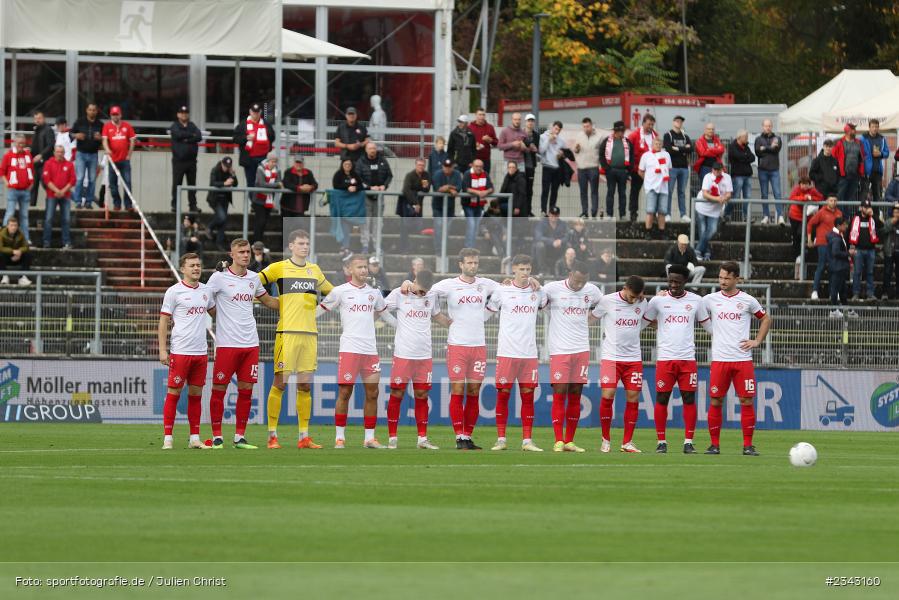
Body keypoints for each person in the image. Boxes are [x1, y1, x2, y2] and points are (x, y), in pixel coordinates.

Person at [413, 249, 500, 449]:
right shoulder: (448, 285)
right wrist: (438, 316)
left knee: (474, 391)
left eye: (475, 263)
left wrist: (487, 313)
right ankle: (459, 436)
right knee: (458, 389)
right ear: (460, 264)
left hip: (479, 346)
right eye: (469, 263)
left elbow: (505, 290)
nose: (473, 266)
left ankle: (468, 436)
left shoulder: (485, 284)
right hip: (457, 345)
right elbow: (425, 291)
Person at [258, 229, 334, 450]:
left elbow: (334, 293)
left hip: (310, 335)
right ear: (291, 246)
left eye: (307, 243)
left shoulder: (314, 270)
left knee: (305, 386)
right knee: (280, 383)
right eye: (300, 243)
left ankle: (304, 437)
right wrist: (269, 301)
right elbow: (254, 283)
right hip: (287, 334)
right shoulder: (279, 268)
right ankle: (272, 436)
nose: (305, 247)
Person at [206, 238, 280, 449]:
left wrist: (294, 302)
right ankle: (217, 436)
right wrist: (218, 316)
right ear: (232, 254)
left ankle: (240, 437)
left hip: (250, 344)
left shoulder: (254, 278)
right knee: (219, 389)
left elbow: (269, 302)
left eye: (248, 252)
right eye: (241, 252)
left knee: (246, 390)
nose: (246, 255)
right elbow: (206, 301)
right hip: (227, 344)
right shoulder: (218, 278)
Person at [317, 254, 390, 449]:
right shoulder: (340, 292)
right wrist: (300, 318)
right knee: (345, 391)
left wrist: (403, 328)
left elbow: (386, 315)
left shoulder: (374, 293)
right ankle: (339, 437)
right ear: (349, 270)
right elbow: (320, 310)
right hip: (349, 349)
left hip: (370, 350)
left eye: (365, 267)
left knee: (373, 393)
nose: (364, 270)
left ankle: (369, 438)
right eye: (359, 267)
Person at [701, 261, 772, 456]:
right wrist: (663, 296)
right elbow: (690, 307)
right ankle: (714, 445)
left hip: (742, 360)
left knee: (746, 401)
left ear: (736, 279)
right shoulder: (710, 299)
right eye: (720, 277)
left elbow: (766, 319)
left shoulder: (748, 300)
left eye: (726, 278)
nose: (722, 281)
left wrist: (757, 341)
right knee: (715, 401)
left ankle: (748, 446)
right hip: (720, 360)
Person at [644, 264, 711, 454]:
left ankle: (688, 442)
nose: (673, 284)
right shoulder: (658, 301)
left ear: (685, 282)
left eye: (677, 281)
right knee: (662, 398)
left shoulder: (696, 301)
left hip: (687, 358)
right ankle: (661, 442)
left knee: (689, 398)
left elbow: (709, 326)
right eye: (670, 281)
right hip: (665, 358)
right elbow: (644, 322)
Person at [484, 254, 547, 452]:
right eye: (522, 269)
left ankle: (527, 441)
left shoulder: (538, 292)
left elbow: (550, 300)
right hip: (507, 352)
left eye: (528, 270)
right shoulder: (502, 291)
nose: (525, 273)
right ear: (514, 270)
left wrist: (539, 284)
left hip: (529, 354)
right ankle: (501, 439)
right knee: (503, 394)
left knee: (528, 396)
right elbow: (486, 313)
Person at [382, 269, 449, 450]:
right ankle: (392, 438)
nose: (422, 295)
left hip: (424, 356)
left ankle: (422, 439)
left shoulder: (432, 296)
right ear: (414, 281)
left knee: (422, 395)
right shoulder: (399, 293)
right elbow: (381, 308)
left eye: (425, 292)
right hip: (403, 355)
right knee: (397, 394)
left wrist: (456, 326)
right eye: (419, 291)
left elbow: (437, 316)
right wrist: (396, 324)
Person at [157, 252, 215, 450]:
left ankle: (194, 438)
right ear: (183, 269)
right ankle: (167, 438)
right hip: (180, 351)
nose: (196, 268)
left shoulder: (206, 291)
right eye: (192, 265)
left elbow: (216, 313)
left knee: (196, 395)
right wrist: (162, 350)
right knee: (173, 393)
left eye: (198, 265)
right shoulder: (174, 292)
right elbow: (164, 320)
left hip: (200, 352)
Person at [542, 262, 602, 451]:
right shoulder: (552, 288)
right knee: (560, 392)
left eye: (582, 282)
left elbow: (605, 304)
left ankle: (569, 441)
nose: (578, 285)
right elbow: (534, 296)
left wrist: (591, 318)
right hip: (560, 349)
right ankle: (558, 439)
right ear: (569, 274)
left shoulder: (592, 290)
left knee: (576, 394)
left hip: (581, 349)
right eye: (576, 281)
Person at [589, 275, 650, 453]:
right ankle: (606, 440)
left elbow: (645, 321)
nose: (634, 300)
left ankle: (627, 442)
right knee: (608, 395)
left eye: (637, 297)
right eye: (632, 296)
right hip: (611, 357)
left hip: (633, 359)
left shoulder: (642, 302)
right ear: (625, 288)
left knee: (633, 398)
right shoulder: (608, 301)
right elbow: (591, 318)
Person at [356, 142, 393, 254]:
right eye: (370, 148)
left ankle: (377, 246)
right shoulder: (361, 162)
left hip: (379, 197)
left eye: (374, 148)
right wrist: (369, 187)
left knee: (378, 223)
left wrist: (384, 186)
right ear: (366, 150)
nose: (372, 150)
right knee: (365, 222)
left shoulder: (382, 160)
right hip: (366, 197)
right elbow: (357, 178)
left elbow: (389, 175)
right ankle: (365, 246)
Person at [101, 106, 137, 211]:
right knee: (113, 184)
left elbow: (132, 141)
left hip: (124, 160)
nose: (115, 116)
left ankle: (128, 205)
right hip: (113, 160)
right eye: (113, 114)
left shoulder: (127, 126)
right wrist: (107, 149)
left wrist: (129, 154)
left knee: (128, 183)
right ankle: (117, 204)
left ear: (120, 115)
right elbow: (104, 140)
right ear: (111, 115)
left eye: (116, 114)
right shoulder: (107, 127)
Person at [806, 196, 842, 300]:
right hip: (823, 243)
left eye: (835, 200)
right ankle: (815, 291)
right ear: (827, 201)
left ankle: (833, 292)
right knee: (821, 267)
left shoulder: (839, 213)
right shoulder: (821, 212)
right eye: (831, 200)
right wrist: (809, 239)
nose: (833, 202)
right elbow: (810, 224)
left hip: (835, 244)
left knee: (834, 269)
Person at [695, 162, 732, 261]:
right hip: (702, 207)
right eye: (714, 170)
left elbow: (729, 193)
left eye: (718, 170)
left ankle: (698, 250)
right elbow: (705, 194)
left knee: (712, 230)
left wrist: (724, 197)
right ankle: (705, 253)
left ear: (722, 170)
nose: (716, 172)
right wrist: (718, 199)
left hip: (715, 210)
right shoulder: (708, 177)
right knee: (703, 231)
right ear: (712, 170)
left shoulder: (727, 178)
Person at [1, 134, 35, 243]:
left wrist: (31, 183)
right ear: (15, 143)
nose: (21, 145)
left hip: (25, 190)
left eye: (23, 143)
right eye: (19, 143)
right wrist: (6, 183)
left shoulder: (28, 155)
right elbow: (2, 171)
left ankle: (26, 239)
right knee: (10, 213)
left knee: (24, 216)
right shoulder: (8, 155)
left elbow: (31, 170)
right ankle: (4, 238)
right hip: (13, 190)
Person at [41, 145, 75, 250]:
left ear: (64, 153)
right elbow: (46, 179)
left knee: (66, 219)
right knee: (48, 219)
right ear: (54, 152)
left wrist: (62, 191)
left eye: (61, 152)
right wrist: (57, 191)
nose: (59, 154)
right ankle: (46, 242)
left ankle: (66, 242)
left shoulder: (69, 164)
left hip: (66, 196)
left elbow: (72, 180)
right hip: (52, 195)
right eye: (58, 152)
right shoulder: (48, 163)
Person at [70, 102, 104, 208]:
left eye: (94, 110)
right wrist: (76, 135)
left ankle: (89, 202)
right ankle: (78, 201)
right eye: (90, 109)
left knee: (92, 179)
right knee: (79, 178)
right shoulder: (80, 122)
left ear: (97, 111)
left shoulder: (100, 124)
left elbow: (106, 139)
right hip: (81, 154)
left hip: (93, 154)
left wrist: (101, 138)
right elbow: (70, 134)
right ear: (86, 110)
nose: (92, 112)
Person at [169, 105, 202, 213]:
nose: (184, 115)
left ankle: (193, 206)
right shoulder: (175, 126)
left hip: (191, 161)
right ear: (178, 115)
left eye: (186, 113)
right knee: (177, 184)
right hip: (179, 161)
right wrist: (190, 136)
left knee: (192, 185)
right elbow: (178, 135)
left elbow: (199, 136)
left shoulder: (192, 125)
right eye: (182, 113)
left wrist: (186, 138)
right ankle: (175, 205)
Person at [234, 103, 274, 191]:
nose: (255, 114)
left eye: (257, 112)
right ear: (250, 112)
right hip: (249, 159)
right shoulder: (243, 124)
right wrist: (246, 138)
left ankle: (261, 203)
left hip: (263, 158)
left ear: (260, 112)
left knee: (264, 182)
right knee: (251, 183)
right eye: (253, 112)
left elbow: (272, 136)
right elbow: (235, 138)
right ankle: (254, 203)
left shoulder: (266, 124)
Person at [638, 136, 672, 239]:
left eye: (659, 144)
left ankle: (662, 233)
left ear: (662, 145)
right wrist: (647, 180)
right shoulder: (646, 155)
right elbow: (640, 171)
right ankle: (648, 232)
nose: (658, 146)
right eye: (656, 144)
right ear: (652, 145)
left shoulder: (666, 155)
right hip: (651, 187)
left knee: (662, 211)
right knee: (650, 210)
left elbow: (669, 169)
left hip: (663, 187)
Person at [627, 114, 658, 223]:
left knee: (653, 192)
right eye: (649, 124)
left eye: (652, 124)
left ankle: (653, 214)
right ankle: (633, 214)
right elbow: (628, 152)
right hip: (637, 169)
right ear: (643, 123)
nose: (651, 126)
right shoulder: (634, 135)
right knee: (635, 192)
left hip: (652, 171)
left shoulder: (655, 135)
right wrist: (629, 169)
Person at [849, 198, 882, 301]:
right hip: (858, 249)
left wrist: (873, 215)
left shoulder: (872, 218)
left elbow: (881, 225)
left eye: (868, 207)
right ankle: (855, 293)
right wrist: (850, 247)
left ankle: (870, 294)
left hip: (871, 250)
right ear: (861, 208)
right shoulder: (856, 218)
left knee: (870, 272)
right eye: (865, 207)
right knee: (857, 272)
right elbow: (849, 232)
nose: (867, 209)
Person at [599, 121, 633, 220]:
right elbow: (601, 155)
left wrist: (628, 170)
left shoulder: (628, 142)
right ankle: (609, 214)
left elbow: (631, 157)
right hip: (611, 171)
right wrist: (606, 168)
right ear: (615, 131)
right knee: (610, 192)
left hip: (623, 171)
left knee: (622, 194)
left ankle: (622, 215)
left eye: (623, 131)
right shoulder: (607, 141)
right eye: (619, 131)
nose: (621, 133)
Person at [663, 115, 693, 222]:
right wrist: (684, 149)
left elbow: (691, 149)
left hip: (684, 168)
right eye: (677, 121)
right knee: (669, 191)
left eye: (681, 121)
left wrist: (677, 148)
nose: (679, 123)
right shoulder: (668, 135)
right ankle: (667, 214)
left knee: (682, 192)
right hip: (672, 168)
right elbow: (668, 149)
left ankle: (683, 214)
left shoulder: (685, 136)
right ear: (673, 122)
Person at [754, 119, 783, 224]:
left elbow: (776, 150)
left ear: (772, 126)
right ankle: (766, 216)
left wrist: (765, 148)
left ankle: (780, 216)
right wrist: (770, 148)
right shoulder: (758, 139)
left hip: (774, 169)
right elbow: (757, 152)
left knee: (777, 193)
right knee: (764, 194)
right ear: (762, 126)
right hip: (762, 170)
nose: (768, 127)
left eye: (770, 125)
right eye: (766, 126)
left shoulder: (777, 138)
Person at [787, 176, 824, 262]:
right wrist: (804, 198)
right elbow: (792, 198)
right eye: (803, 184)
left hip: (806, 217)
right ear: (800, 184)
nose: (805, 186)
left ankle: (802, 251)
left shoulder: (812, 190)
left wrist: (811, 198)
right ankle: (796, 255)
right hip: (794, 216)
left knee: (801, 233)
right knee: (795, 235)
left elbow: (821, 198)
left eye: (807, 184)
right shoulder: (796, 189)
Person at [206, 157, 238, 251]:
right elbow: (212, 182)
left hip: (225, 199)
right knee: (222, 217)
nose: (227, 168)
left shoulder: (230, 171)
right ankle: (209, 227)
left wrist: (234, 175)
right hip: (215, 199)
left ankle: (219, 242)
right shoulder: (215, 170)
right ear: (221, 163)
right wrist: (224, 183)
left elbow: (235, 184)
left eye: (229, 166)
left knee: (223, 222)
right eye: (225, 166)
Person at [431, 159, 462, 253]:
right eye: (445, 167)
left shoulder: (456, 174)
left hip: (449, 207)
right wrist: (451, 188)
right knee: (439, 227)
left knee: (447, 229)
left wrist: (447, 187)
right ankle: (438, 250)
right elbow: (438, 188)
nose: (447, 169)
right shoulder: (437, 174)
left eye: (449, 167)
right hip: (438, 206)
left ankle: (444, 249)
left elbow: (459, 188)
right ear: (443, 166)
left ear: (452, 167)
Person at [398, 158, 430, 251]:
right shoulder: (410, 175)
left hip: (419, 204)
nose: (421, 167)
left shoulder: (426, 175)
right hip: (407, 203)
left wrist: (425, 187)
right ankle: (403, 248)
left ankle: (415, 248)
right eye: (419, 165)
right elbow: (406, 190)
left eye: (423, 165)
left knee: (418, 226)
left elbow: (426, 190)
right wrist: (415, 203)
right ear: (415, 165)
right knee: (404, 227)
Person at [832, 123, 865, 212]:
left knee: (850, 198)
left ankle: (846, 220)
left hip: (855, 175)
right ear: (847, 131)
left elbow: (862, 157)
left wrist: (861, 172)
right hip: (842, 176)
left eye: (854, 129)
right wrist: (836, 173)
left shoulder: (858, 142)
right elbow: (834, 158)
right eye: (853, 129)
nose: (855, 131)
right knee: (840, 197)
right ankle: (839, 218)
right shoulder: (839, 142)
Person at [573, 117, 601, 218]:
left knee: (594, 191)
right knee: (583, 191)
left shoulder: (599, 136)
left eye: (587, 126)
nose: (586, 128)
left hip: (593, 167)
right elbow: (575, 151)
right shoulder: (579, 136)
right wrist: (576, 149)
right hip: (581, 168)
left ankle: (594, 212)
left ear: (591, 125)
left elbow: (601, 152)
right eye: (584, 126)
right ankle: (584, 212)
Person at [461, 159, 493, 248]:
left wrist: (486, 192)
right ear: (473, 166)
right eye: (477, 166)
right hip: (468, 204)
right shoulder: (467, 174)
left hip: (479, 205)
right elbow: (466, 188)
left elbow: (491, 188)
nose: (479, 168)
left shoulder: (485, 174)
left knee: (476, 227)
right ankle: (468, 246)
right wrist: (478, 192)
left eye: (480, 166)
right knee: (471, 225)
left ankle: (472, 246)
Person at [252, 152, 282, 244]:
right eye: (272, 161)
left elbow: (279, 182)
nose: (274, 164)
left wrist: (276, 184)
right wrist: (276, 184)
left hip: (269, 200)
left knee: (264, 222)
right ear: (268, 161)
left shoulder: (277, 170)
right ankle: (256, 242)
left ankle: (259, 242)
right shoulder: (260, 169)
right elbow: (262, 184)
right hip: (258, 199)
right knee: (260, 222)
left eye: (275, 162)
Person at [538, 121, 567, 215]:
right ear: (552, 127)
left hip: (557, 168)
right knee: (545, 190)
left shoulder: (561, 140)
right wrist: (549, 140)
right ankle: (543, 210)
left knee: (554, 191)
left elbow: (565, 154)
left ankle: (551, 210)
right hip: (547, 167)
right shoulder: (543, 136)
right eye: (556, 128)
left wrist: (562, 155)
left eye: (559, 130)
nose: (557, 131)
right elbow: (541, 150)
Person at [726, 129, 755, 221]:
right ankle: (726, 214)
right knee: (735, 196)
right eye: (745, 137)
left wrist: (743, 157)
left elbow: (753, 157)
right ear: (739, 137)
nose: (747, 139)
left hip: (748, 175)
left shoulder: (746, 147)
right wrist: (746, 157)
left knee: (748, 197)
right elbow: (738, 156)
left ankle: (747, 217)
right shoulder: (732, 146)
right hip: (737, 175)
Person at [29, 111, 56, 208]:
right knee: (33, 186)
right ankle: (31, 208)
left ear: (44, 118)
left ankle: (51, 206)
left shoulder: (48, 130)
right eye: (35, 119)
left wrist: (41, 155)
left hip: (45, 162)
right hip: (35, 163)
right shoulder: (36, 130)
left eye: (39, 118)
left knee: (46, 185)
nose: (37, 120)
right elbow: (34, 145)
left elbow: (50, 145)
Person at [532, 206, 568, 275]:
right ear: (549, 214)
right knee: (540, 245)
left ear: (558, 215)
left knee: (568, 245)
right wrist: (552, 242)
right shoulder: (542, 223)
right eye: (552, 214)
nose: (554, 216)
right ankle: (542, 270)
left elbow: (567, 236)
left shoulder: (563, 224)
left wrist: (561, 241)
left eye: (556, 215)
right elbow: (538, 237)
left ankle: (563, 269)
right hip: (545, 248)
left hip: (557, 249)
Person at [860, 119, 889, 203]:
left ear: (878, 128)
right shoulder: (863, 138)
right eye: (873, 126)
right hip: (866, 172)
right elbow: (859, 153)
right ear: (869, 127)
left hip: (877, 171)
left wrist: (881, 154)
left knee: (877, 196)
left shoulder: (882, 138)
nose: (875, 128)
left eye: (876, 126)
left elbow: (887, 153)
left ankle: (876, 216)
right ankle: (863, 216)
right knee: (864, 195)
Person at [827, 217, 852, 317]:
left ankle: (846, 310)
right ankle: (833, 310)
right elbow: (835, 252)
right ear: (839, 225)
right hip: (838, 267)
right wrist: (848, 253)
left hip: (839, 267)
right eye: (845, 224)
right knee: (835, 289)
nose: (846, 226)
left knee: (842, 290)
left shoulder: (836, 236)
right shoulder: (836, 237)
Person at [0, 217, 31, 286]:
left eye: (15, 225)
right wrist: (12, 251)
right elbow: (0, 247)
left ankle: (23, 277)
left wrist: (19, 252)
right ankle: (4, 276)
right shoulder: (1, 234)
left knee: (27, 254)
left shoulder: (20, 233)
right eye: (11, 225)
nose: (13, 227)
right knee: (0, 254)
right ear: (7, 226)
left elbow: (26, 246)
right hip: (6, 257)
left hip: (17, 257)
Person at [878, 203, 899, 300]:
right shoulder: (888, 222)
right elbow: (882, 232)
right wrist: (891, 223)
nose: (896, 214)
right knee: (887, 272)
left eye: (898, 212)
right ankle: (885, 293)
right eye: (895, 212)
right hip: (889, 251)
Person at [469, 108, 498, 174]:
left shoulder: (490, 127)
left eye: (483, 115)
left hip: (485, 159)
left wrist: (490, 140)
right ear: (475, 115)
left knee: (485, 180)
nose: (481, 117)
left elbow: (496, 143)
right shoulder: (470, 127)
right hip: (473, 159)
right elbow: (465, 144)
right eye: (480, 115)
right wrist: (474, 145)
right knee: (473, 180)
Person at [522, 114, 540, 216]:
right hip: (520, 164)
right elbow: (521, 147)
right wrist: (528, 147)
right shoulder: (520, 133)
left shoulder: (536, 135)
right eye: (529, 120)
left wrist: (530, 147)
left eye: (532, 121)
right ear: (525, 122)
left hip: (531, 165)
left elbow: (536, 148)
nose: (530, 122)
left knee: (529, 189)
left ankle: (528, 210)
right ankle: (521, 210)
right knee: (521, 188)